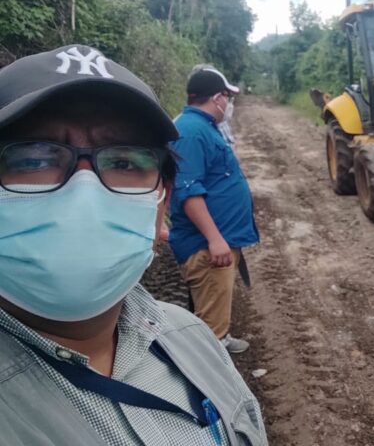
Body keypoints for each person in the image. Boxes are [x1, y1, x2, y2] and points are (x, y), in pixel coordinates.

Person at [0, 45, 268, 445]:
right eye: (35, 159)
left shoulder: (192, 339)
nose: (84, 192)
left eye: (124, 162)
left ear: (160, 201)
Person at [169, 67, 259, 355]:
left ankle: (220, 335)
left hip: (217, 239)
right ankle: (212, 371)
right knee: (207, 328)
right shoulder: (191, 132)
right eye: (228, 98)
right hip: (206, 244)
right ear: (218, 98)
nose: (229, 105)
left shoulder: (202, 127)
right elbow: (187, 189)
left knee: (216, 303)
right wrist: (214, 238)